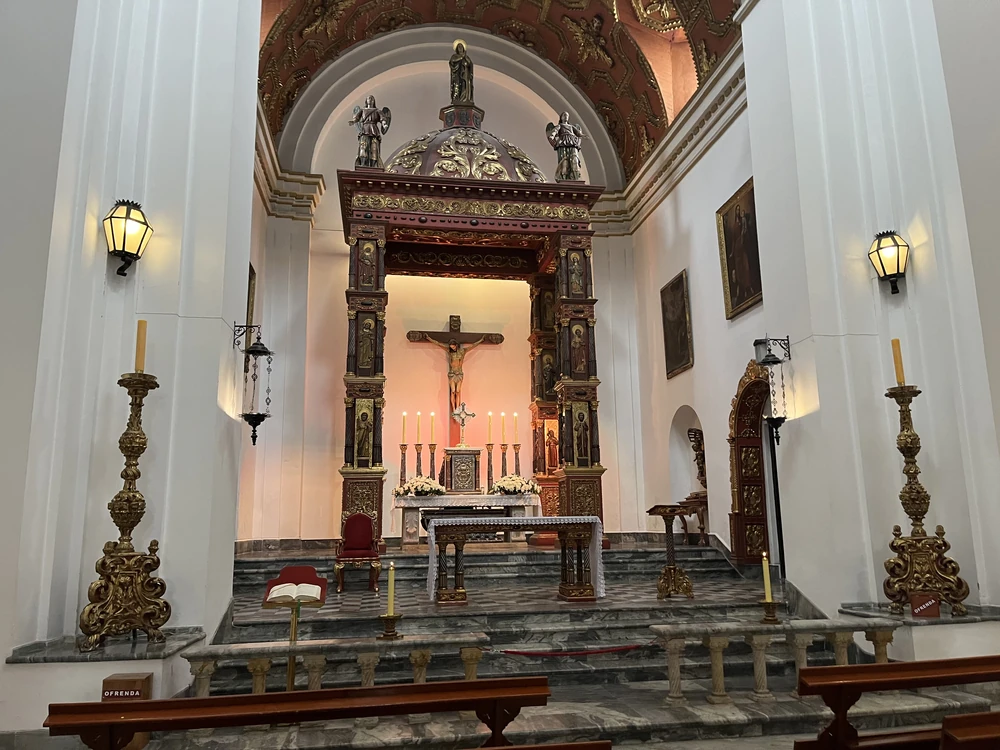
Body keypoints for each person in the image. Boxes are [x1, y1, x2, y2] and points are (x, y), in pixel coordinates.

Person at [348, 95, 391, 169]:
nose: (370, 100)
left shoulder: (377, 111)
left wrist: (384, 125)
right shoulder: (362, 110)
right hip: (365, 129)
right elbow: (357, 118)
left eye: (372, 99)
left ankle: (373, 165)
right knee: (363, 146)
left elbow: (383, 119)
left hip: (373, 129)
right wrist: (353, 121)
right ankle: (363, 164)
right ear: (366, 100)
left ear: (374, 101)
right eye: (368, 98)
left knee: (373, 148)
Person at [546, 112, 585, 181]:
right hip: (563, 142)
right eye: (564, 115)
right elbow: (555, 131)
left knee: (574, 158)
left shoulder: (571, 126)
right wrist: (552, 135)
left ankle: (576, 177)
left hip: (572, 142)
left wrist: (582, 135)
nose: (566, 116)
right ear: (561, 117)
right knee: (564, 160)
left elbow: (578, 133)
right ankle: (564, 177)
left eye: (567, 115)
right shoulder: (560, 125)